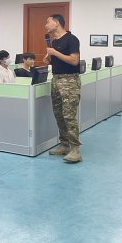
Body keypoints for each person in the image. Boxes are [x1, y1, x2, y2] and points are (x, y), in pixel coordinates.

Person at [44, 14, 82, 163]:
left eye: (48, 22)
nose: (46, 25)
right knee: (58, 114)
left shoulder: (71, 39)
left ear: (57, 23)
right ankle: (64, 144)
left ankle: (75, 150)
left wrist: (55, 53)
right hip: (56, 79)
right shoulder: (54, 41)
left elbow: (74, 60)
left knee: (69, 115)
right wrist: (49, 59)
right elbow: (58, 60)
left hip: (69, 81)